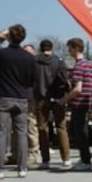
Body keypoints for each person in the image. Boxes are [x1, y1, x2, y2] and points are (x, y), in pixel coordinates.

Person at [0, 25, 37, 179]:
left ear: (9, 37)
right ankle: (22, 167)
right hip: (21, 97)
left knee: (0, 132)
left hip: (2, 96)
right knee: (21, 133)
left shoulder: (1, 54)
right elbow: (34, 80)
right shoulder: (30, 57)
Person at [57, 38, 92, 171]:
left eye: (70, 48)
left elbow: (78, 88)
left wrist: (64, 100)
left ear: (76, 48)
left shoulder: (79, 66)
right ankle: (85, 158)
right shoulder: (89, 65)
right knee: (80, 130)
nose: (69, 51)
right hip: (87, 101)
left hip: (79, 102)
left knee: (79, 132)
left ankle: (85, 160)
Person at [34, 39, 72, 170]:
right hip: (58, 97)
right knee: (61, 127)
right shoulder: (59, 61)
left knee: (42, 127)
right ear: (51, 48)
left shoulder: (35, 61)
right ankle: (66, 158)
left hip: (40, 97)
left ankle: (45, 159)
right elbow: (65, 78)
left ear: (40, 48)